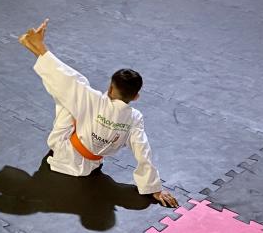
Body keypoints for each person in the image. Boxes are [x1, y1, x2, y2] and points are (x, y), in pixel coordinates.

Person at [18, 18, 179, 207]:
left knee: (73, 91)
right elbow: (143, 152)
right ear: (136, 97)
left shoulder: (93, 99)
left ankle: (37, 47)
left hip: (63, 151)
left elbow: (65, 80)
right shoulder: (134, 119)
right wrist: (154, 188)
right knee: (76, 92)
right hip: (91, 165)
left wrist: (42, 49)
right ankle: (37, 48)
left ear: (110, 88)